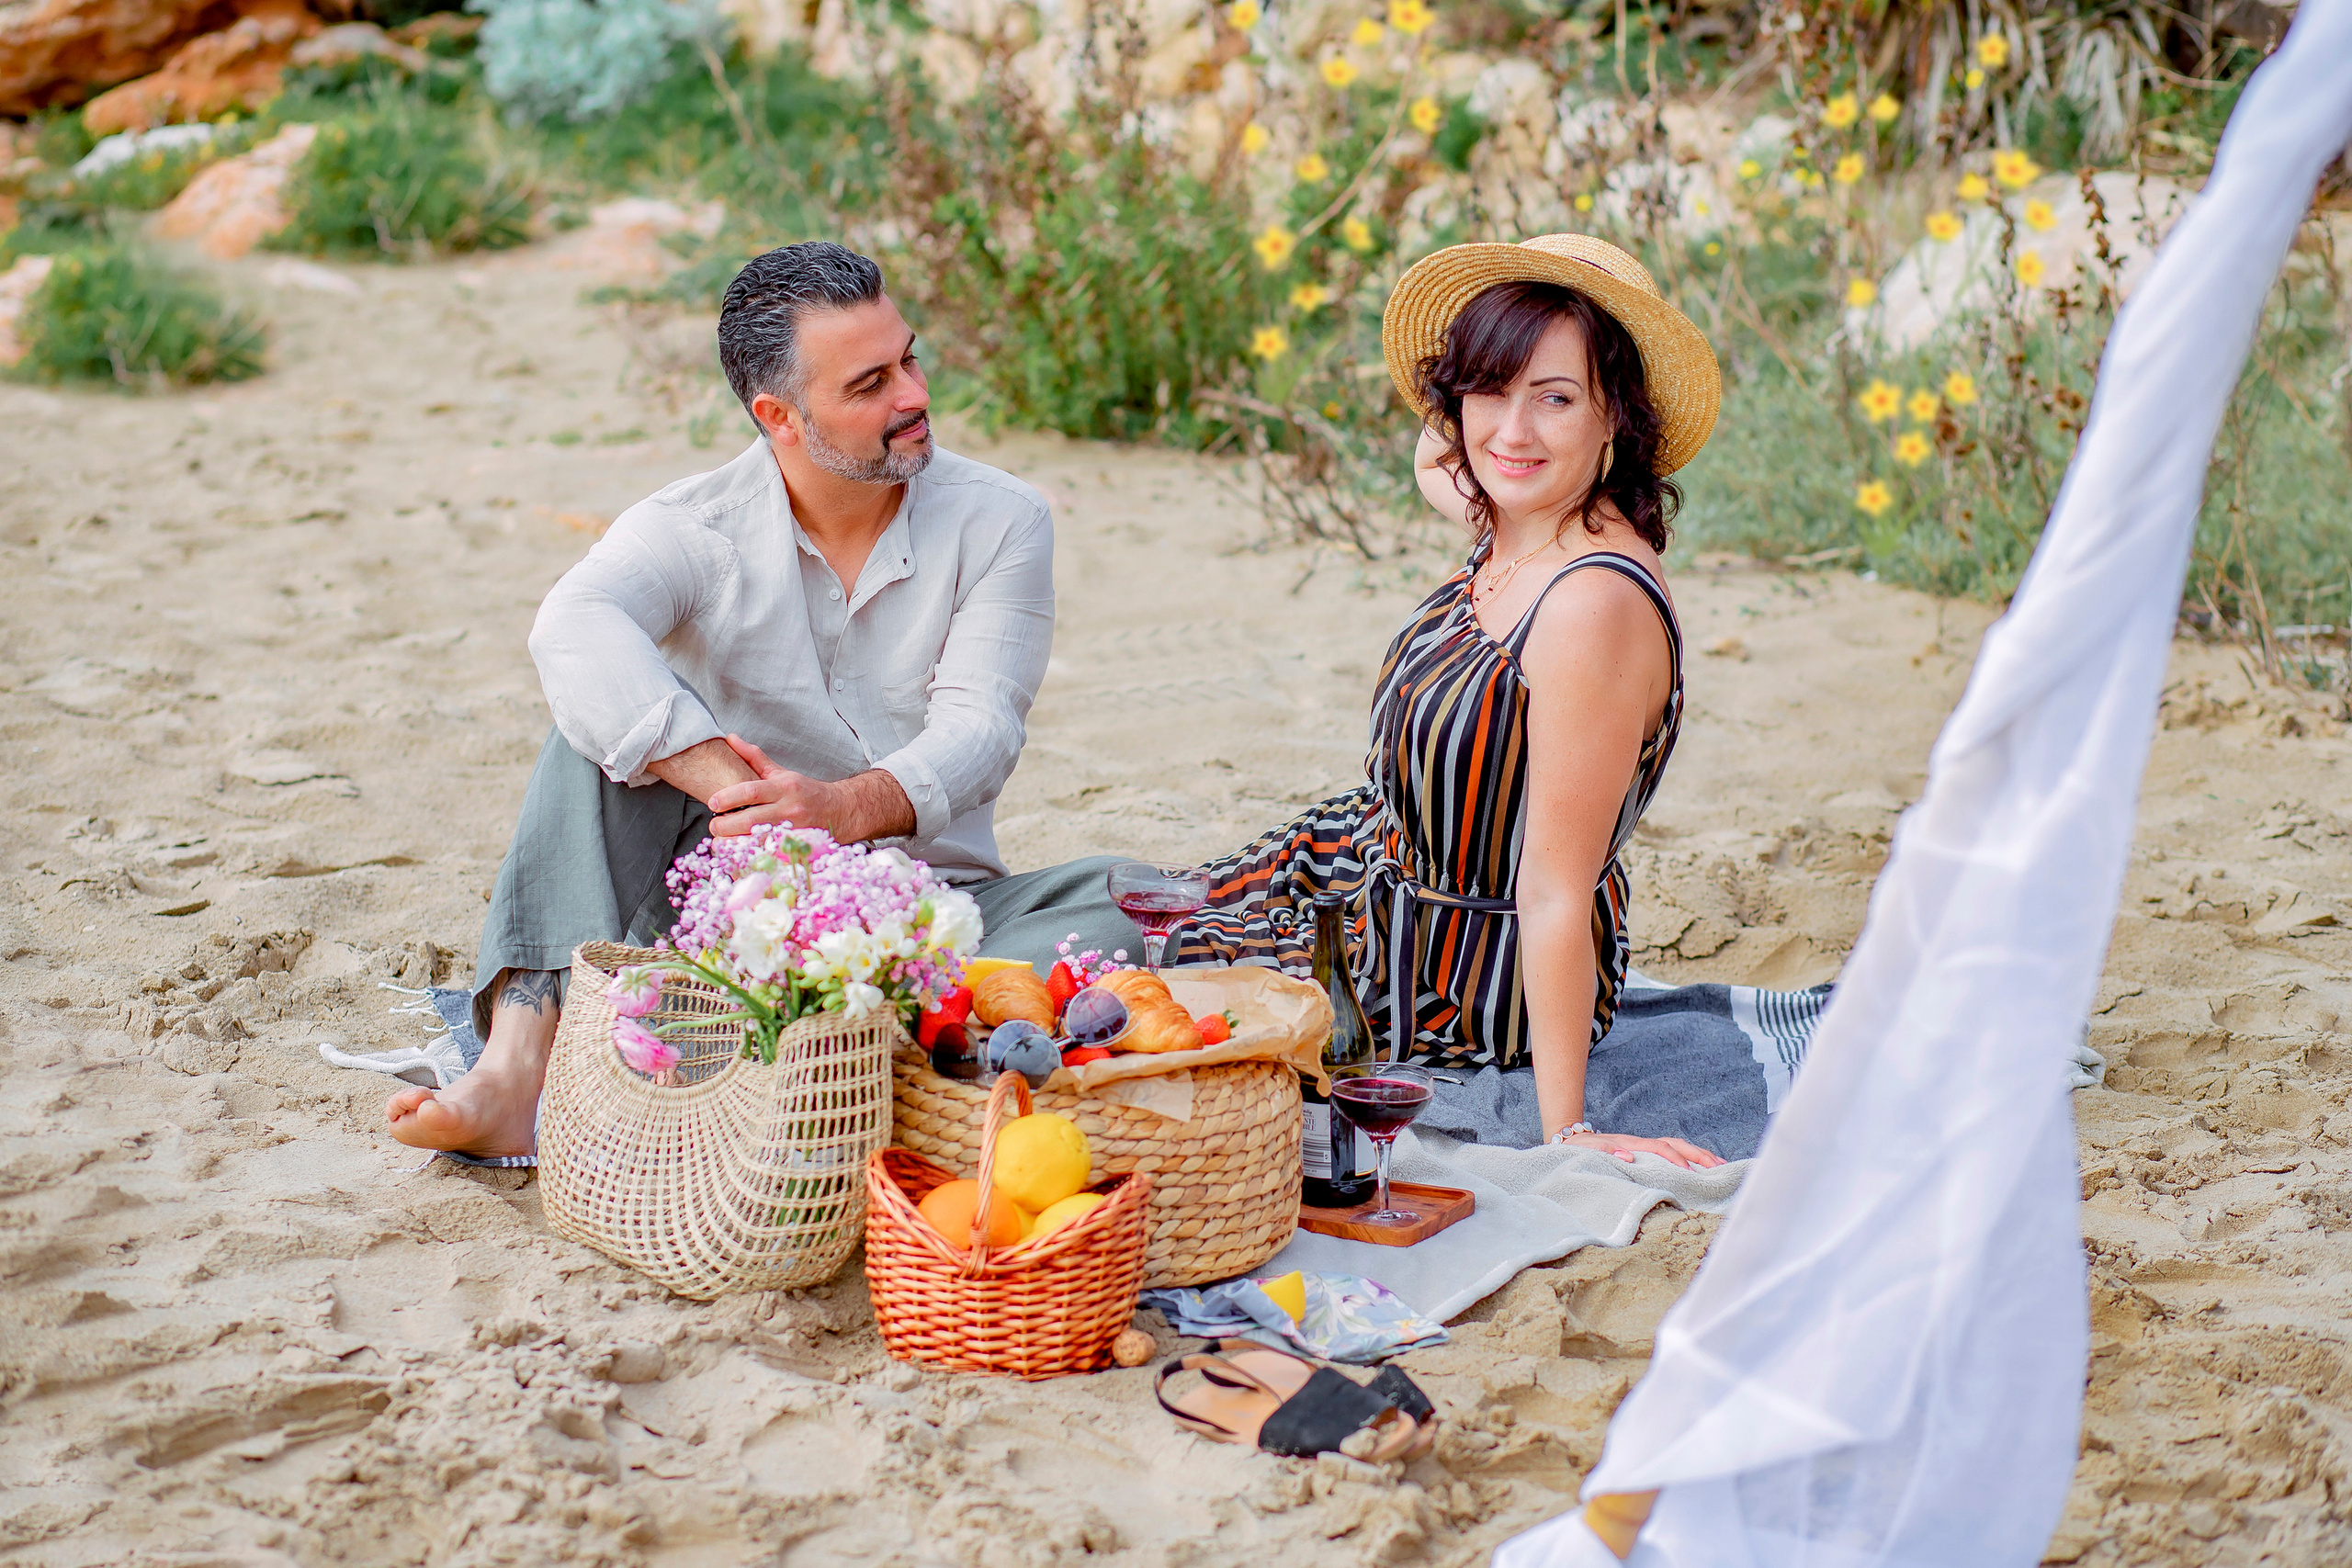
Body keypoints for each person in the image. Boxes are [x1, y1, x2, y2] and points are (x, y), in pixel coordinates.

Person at [389, 241, 1141, 1158]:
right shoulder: (695, 527)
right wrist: (730, 791)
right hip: (725, 906)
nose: (914, 397)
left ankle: (752, 1045)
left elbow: (981, 729)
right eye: (869, 384)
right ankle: (516, 1070)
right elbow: (570, 624)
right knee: (590, 736)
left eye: (910, 358)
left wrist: (838, 810)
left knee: (1132, 903)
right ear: (778, 416)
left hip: (928, 915)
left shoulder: (1002, 519)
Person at [1172, 234, 1726, 1169]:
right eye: (1488, 388)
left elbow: (1553, 887)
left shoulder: (1588, 602)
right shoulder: (1516, 518)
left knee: (1123, 1007)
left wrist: (1571, 1135)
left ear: (1615, 421)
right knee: (1123, 940)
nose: (1510, 432)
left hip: (1453, 976)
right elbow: (1443, 453)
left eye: (1555, 397)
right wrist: (1477, 387)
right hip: (1357, 878)